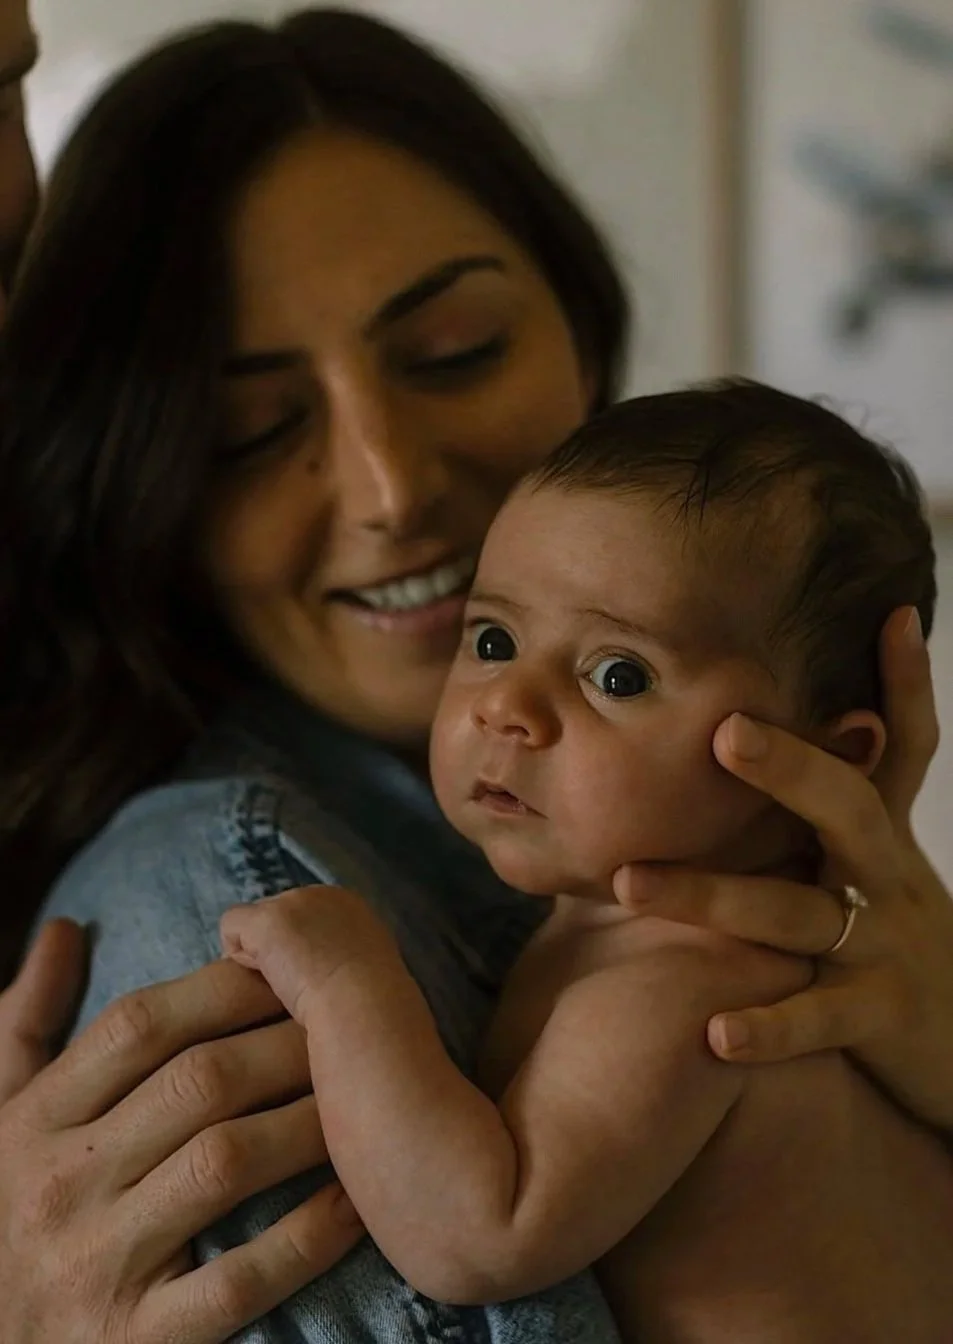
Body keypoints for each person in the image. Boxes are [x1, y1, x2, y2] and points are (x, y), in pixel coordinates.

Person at [0, 9, 951, 1343]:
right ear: (138, 483)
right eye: (252, 426)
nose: (390, 492)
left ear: (580, 324)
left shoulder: (723, 947)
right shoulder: (228, 867)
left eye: (456, 350)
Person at [221, 381, 953, 1343]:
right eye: (493, 639)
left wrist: (345, 977)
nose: (504, 706)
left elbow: (479, 1237)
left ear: (822, 760)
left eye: (618, 674)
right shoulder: (692, 954)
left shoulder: (695, 991)